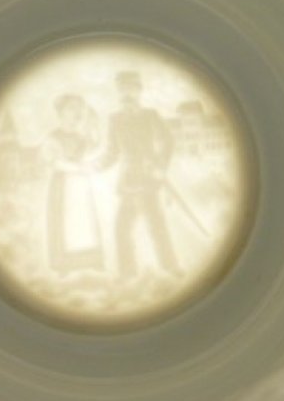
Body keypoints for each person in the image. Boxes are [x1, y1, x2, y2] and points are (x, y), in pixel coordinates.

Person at [96, 71, 182, 278]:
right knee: (122, 228)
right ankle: (127, 273)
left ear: (139, 91)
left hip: (149, 177)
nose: (127, 93)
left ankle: (171, 267)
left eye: (131, 88)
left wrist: (161, 166)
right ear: (118, 93)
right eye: (122, 89)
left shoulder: (151, 115)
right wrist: (96, 165)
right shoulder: (114, 119)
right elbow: (112, 152)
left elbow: (168, 141)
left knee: (156, 225)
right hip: (127, 181)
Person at [44, 93, 103, 275]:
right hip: (63, 185)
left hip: (81, 186)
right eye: (71, 108)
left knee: (85, 223)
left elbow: (94, 149)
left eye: (78, 109)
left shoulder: (81, 137)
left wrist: (94, 128)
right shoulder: (53, 137)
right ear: (61, 112)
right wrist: (79, 168)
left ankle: (92, 260)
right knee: (66, 224)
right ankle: (64, 264)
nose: (76, 113)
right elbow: (54, 162)